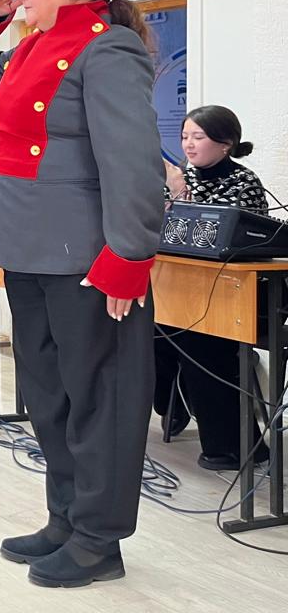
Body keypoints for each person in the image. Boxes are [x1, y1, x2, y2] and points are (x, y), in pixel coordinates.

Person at [0, 0, 164, 588]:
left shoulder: (108, 50)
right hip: (27, 248)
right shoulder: (31, 46)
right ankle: (66, 519)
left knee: (99, 400)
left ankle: (100, 539)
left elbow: (133, 163)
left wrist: (129, 256)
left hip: (84, 259)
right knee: (48, 398)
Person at [157, 105, 271, 469]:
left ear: (225, 143)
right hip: (188, 290)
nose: (188, 145)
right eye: (185, 137)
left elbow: (217, 237)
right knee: (147, 329)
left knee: (199, 341)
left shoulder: (243, 182)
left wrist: (179, 193)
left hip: (239, 294)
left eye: (198, 137)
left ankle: (232, 448)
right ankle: (173, 404)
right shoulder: (183, 177)